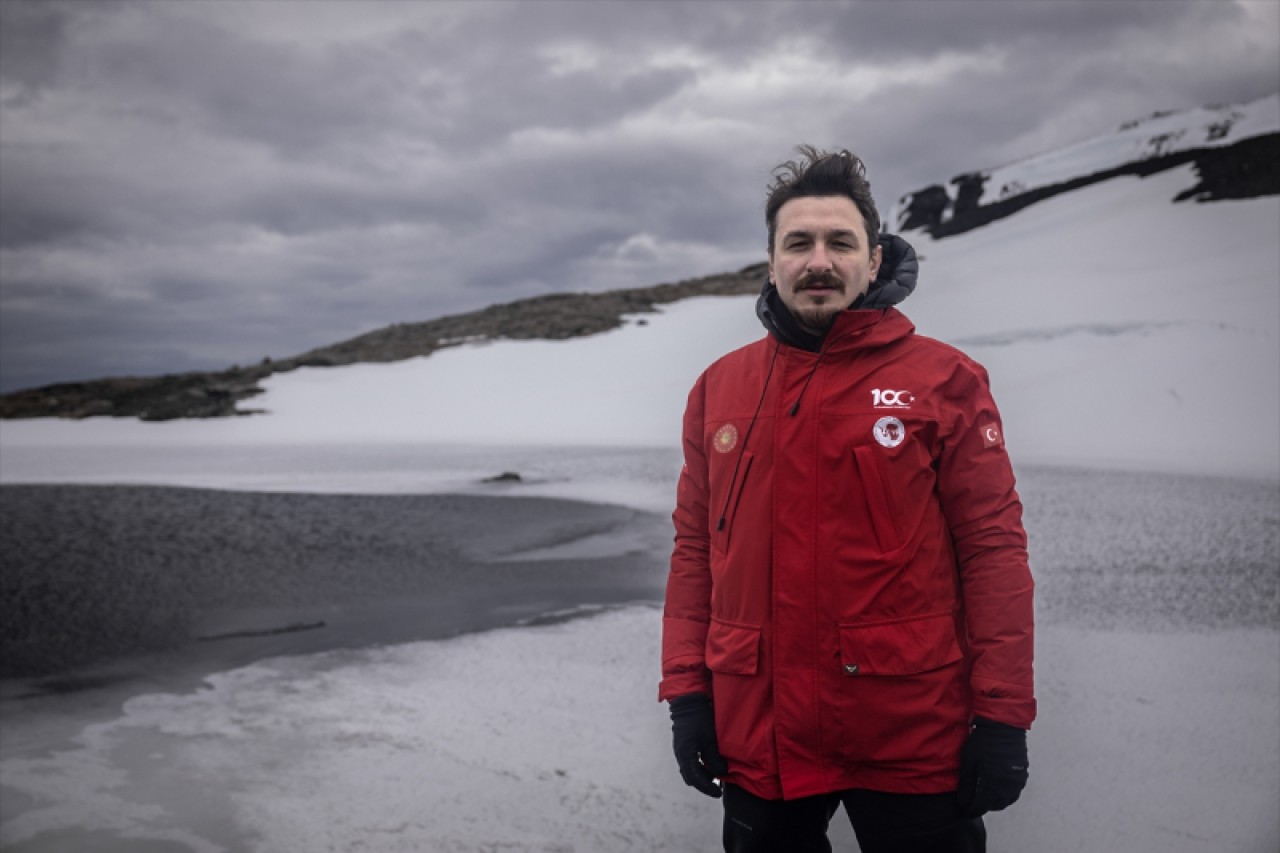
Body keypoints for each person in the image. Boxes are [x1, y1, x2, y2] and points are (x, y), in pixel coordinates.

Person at [658, 146, 1035, 853]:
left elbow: (992, 552)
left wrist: (1004, 716)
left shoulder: (945, 380)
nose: (819, 261)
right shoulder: (720, 390)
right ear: (772, 263)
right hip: (760, 731)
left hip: (908, 732)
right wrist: (688, 695)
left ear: (873, 259)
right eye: (798, 243)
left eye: (841, 242)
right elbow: (695, 553)